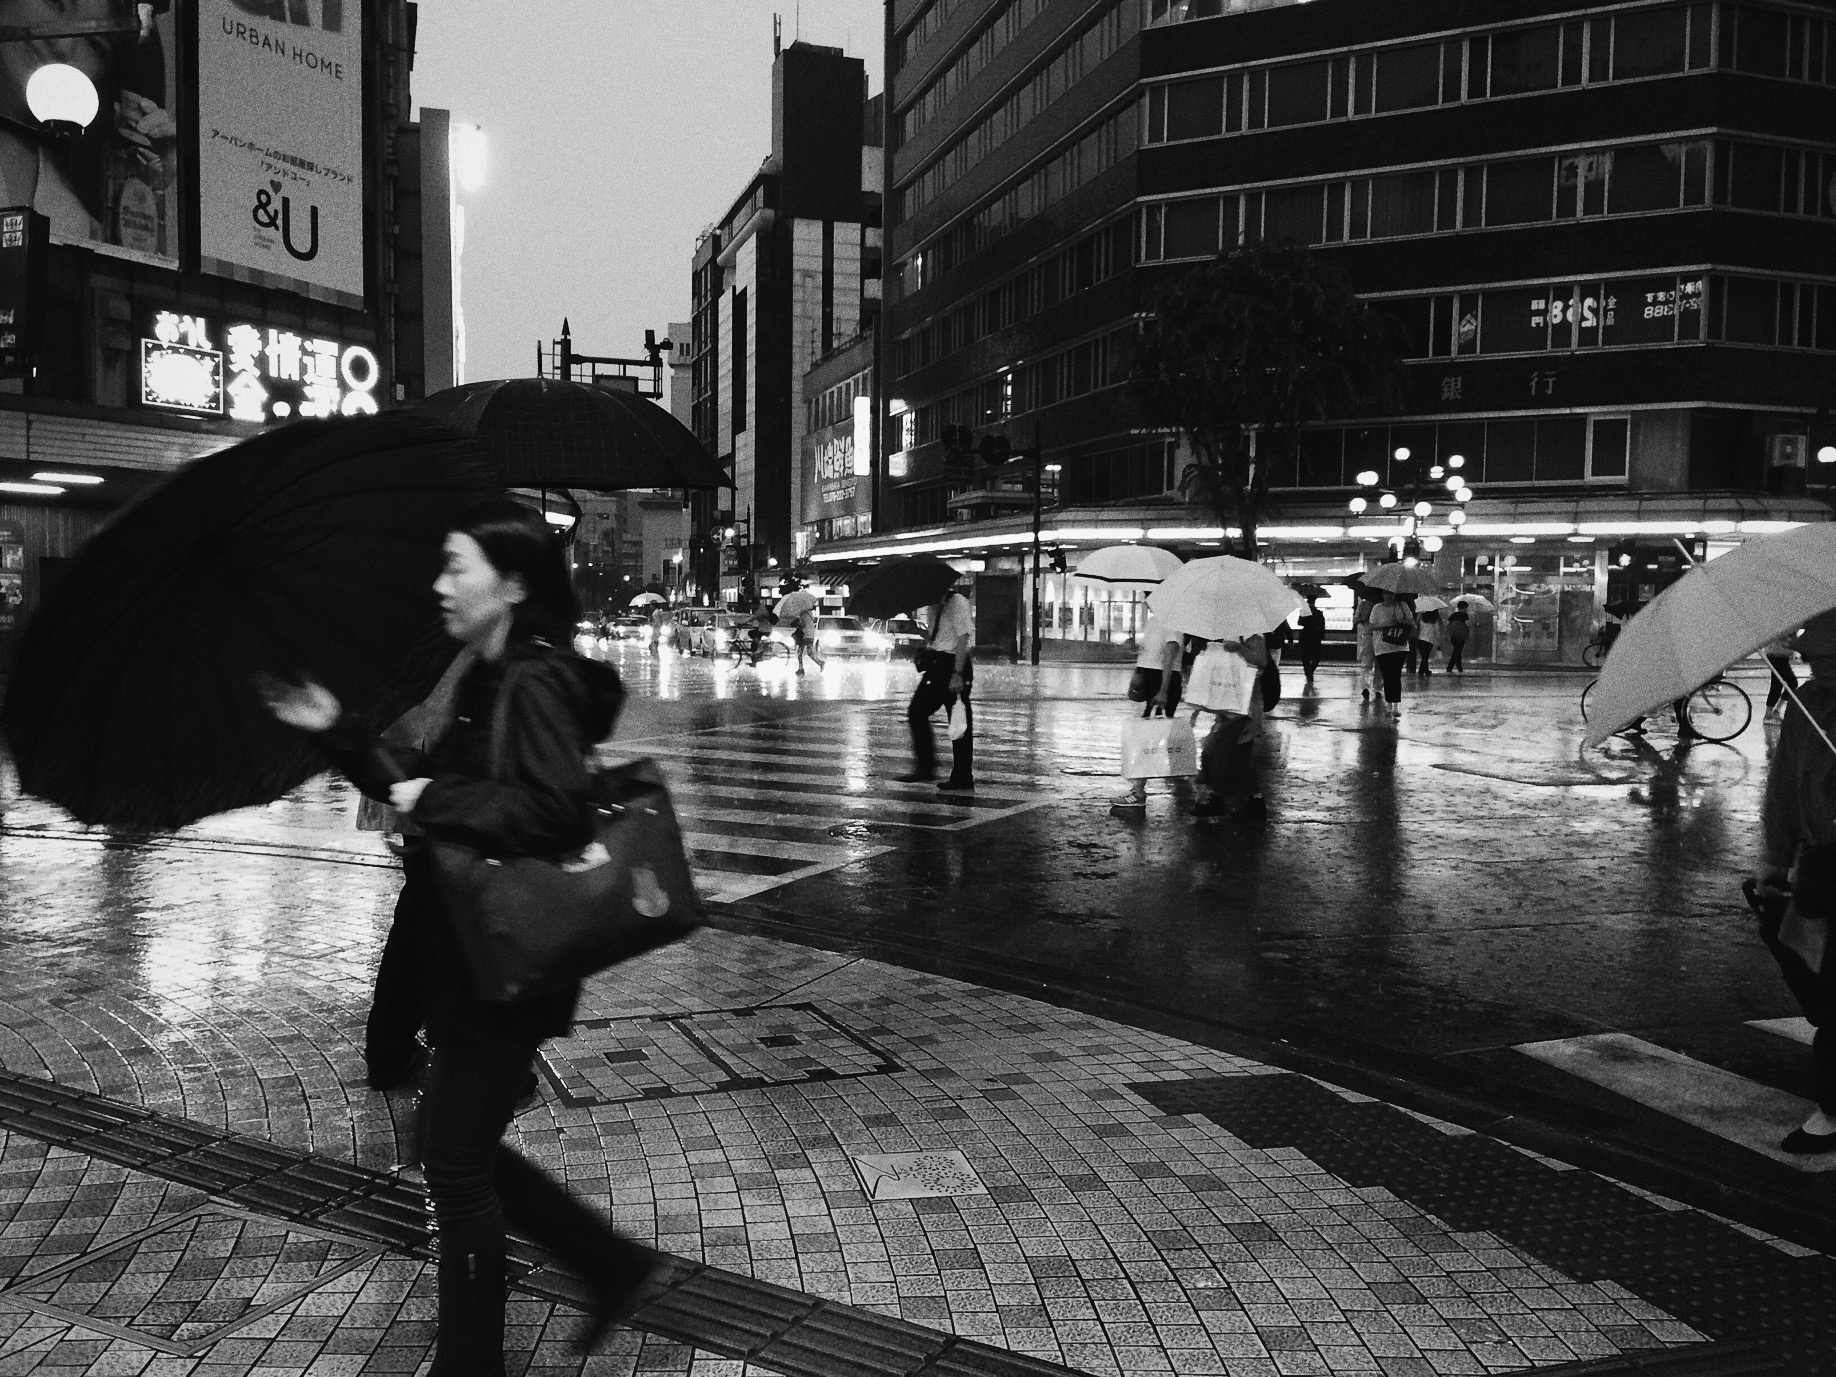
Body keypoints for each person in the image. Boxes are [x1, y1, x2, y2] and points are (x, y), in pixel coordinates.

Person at [260, 499, 658, 1367]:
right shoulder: (489, 678)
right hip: (472, 950)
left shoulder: (536, 680)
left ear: (511, 583)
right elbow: (426, 791)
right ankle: (611, 1264)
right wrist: (337, 730)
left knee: (455, 1165)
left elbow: (553, 812)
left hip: (508, 958)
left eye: (456, 568)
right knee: (452, 1140)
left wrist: (434, 800)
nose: (439, 585)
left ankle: (472, 1361)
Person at [1754, 609, 1836, 1154]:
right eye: (1813, 656)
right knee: (1825, 984)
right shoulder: (1809, 702)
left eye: (1826, 658)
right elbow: (1784, 786)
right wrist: (1776, 858)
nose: (1811, 663)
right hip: (1825, 865)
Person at [899, 582, 975, 791]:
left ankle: (962, 777)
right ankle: (926, 765)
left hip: (954, 665)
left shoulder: (958, 603)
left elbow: (963, 639)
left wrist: (957, 674)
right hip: (938, 666)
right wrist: (918, 631)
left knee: (959, 722)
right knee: (917, 712)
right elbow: (940, 638)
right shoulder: (934, 608)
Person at [1191, 632, 1268, 819]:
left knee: (1224, 754)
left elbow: (1262, 662)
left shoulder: (1252, 634)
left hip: (1245, 710)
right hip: (1227, 709)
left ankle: (1248, 802)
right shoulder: (1226, 633)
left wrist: (1239, 648)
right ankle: (1224, 800)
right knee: (1217, 754)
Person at [1114, 612, 1183, 811]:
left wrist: (1163, 690)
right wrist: (1136, 648)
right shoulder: (1155, 619)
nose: (1146, 599)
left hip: (1162, 681)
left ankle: (1138, 793)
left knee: (1147, 738)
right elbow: (1154, 653)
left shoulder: (1173, 619)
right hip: (1151, 677)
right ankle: (1138, 790)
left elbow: (1171, 653)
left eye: (1148, 593)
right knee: (1147, 736)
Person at [1368, 589, 1415, 716]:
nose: (1388, 596)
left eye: (1391, 593)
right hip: (1382, 646)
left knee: (1395, 675)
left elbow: (1412, 623)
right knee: (1387, 676)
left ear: (1395, 594)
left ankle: (1395, 706)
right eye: (1385, 593)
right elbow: (1371, 627)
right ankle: (1389, 704)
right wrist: (1385, 624)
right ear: (1382, 594)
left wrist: (1400, 621)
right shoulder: (1377, 608)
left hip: (1400, 646)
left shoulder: (1402, 605)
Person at [1765, 630, 1799, 719]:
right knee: (1777, 685)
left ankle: (1777, 709)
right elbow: (1779, 636)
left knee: (1792, 683)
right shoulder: (1786, 625)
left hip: (1782, 656)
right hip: (1777, 655)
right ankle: (1768, 714)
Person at [1297, 598, 1326, 685]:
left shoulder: (1303, 611)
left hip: (1305, 635)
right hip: (1315, 636)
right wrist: (1321, 636)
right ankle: (1311, 671)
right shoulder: (1319, 613)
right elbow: (1322, 625)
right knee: (1316, 657)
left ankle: (1308, 672)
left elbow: (1299, 623)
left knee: (1305, 656)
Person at [1353, 593, 1377, 701]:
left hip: (1379, 636)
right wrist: (1364, 617)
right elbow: (1355, 620)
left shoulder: (1382, 605)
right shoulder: (1363, 605)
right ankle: (1366, 687)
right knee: (1367, 663)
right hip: (1368, 635)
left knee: (1379, 664)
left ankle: (1377, 688)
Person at [792, 601, 826, 674]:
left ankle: (801, 669)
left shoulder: (803, 614)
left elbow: (803, 624)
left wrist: (797, 625)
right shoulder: (810, 613)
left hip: (804, 635)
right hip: (811, 635)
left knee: (799, 652)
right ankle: (820, 663)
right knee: (810, 652)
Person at [1412, 609, 1442, 676]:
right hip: (1429, 641)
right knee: (1425, 657)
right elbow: (1437, 632)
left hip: (1420, 640)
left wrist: (1419, 615)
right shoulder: (1434, 620)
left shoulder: (1421, 617)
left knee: (1424, 657)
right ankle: (1421, 672)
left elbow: (1416, 625)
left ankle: (1426, 671)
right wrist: (1438, 642)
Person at [1446, 601, 1471, 674]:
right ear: (1464, 607)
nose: (1467, 609)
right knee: (1457, 651)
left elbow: (1448, 624)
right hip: (1461, 636)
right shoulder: (1464, 615)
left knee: (1457, 651)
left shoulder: (1453, 615)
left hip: (1453, 636)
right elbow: (1468, 624)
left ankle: (1459, 667)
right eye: (1466, 608)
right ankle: (1449, 667)